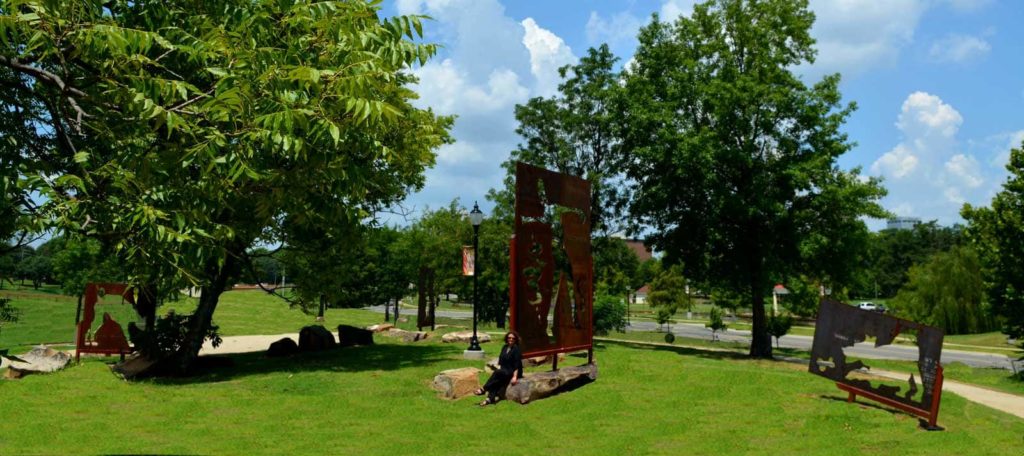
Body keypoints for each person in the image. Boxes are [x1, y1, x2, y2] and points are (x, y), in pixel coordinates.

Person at [476, 330, 524, 406]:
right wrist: (500, 368)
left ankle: (484, 389)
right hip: (505, 370)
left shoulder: (516, 349)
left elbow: (517, 365)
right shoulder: (504, 347)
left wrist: (515, 377)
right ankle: (489, 399)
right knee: (497, 381)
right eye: (509, 338)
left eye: (513, 338)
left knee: (497, 373)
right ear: (507, 338)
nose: (511, 339)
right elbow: (501, 360)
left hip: (513, 371)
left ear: (515, 340)